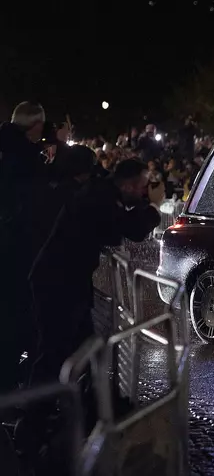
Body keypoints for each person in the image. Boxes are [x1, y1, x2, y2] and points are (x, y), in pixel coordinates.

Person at [28, 158, 164, 385]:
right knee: (55, 351)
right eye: (142, 187)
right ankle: (39, 403)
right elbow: (129, 228)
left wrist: (147, 204)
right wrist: (154, 206)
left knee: (84, 347)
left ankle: (85, 397)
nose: (144, 192)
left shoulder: (102, 191)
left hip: (68, 281)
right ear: (127, 185)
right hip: (58, 283)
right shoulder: (101, 198)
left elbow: (123, 220)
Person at [0, 102, 67, 393]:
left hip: (9, 245)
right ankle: (12, 390)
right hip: (20, 249)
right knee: (18, 320)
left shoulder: (9, 150)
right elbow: (48, 192)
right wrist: (59, 144)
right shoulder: (25, 158)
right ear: (36, 126)